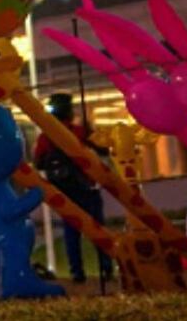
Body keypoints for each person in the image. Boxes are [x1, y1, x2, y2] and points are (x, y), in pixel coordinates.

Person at [33, 92, 113, 283]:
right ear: (69, 111)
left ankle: (77, 272)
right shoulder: (79, 131)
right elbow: (103, 149)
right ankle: (106, 268)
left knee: (71, 233)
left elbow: (38, 163)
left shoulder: (46, 137)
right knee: (97, 228)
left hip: (64, 190)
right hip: (86, 186)